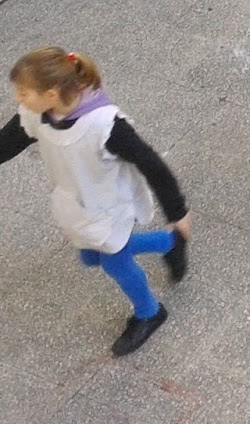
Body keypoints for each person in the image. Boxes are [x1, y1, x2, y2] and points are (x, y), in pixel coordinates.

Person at [1, 47, 192, 356]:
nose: (18, 98)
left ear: (50, 94)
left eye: (23, 92)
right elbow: (6, 144)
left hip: (108, 207)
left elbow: (152, 165)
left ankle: (150, 312)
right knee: (92, 257)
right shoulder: (37, 113)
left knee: (115, 262)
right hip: (78, 202)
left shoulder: (105, 126)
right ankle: (170, 242)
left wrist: (177, 211)